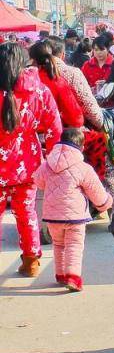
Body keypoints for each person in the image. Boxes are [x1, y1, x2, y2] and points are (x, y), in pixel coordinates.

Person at [0, 43, 62, 276]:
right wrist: (54, 160)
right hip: (28, 164)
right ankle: (32, 262)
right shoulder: (39, 91)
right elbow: (54, 128)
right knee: (27, 213)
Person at [33, 128, 112, 292]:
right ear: (81, 147)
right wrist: (105, 203)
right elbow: (95, 192)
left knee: (59, 245)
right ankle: (73, 277)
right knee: (74, 246)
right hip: (75, 217)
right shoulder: (83, 168)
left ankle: (61, 275)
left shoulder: (47, 164)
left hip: (52, 216)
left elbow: (38, 181)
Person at [29, 41, 84, 129]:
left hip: (25, 134)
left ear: (32, 59)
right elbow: (76, 118)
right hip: (52, 133)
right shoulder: (57, 81)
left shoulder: (23, 80)